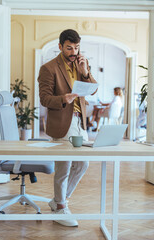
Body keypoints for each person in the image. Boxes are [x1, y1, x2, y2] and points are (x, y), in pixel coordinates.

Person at [38, 29, 97, 227]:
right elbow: (44, 99)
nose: (73, 52)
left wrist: (86, 72)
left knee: (83, 164)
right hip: (64, 122)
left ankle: (58, 201)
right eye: (69, 48)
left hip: (81, 123)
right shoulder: (48, 68)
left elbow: (93, 87)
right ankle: (61, 206)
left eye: (76, 48)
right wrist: (64, 98)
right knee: (63, 168)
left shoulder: (82, 63)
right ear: (60, 46)